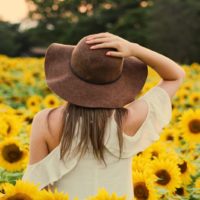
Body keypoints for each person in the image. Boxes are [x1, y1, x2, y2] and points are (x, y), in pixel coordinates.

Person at [22, 32, 185, 200]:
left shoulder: (46, 122)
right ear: (117, 80)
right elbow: (175, 76)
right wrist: (134, 49)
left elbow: (34, 186)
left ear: (69, 76)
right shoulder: (131, 119)